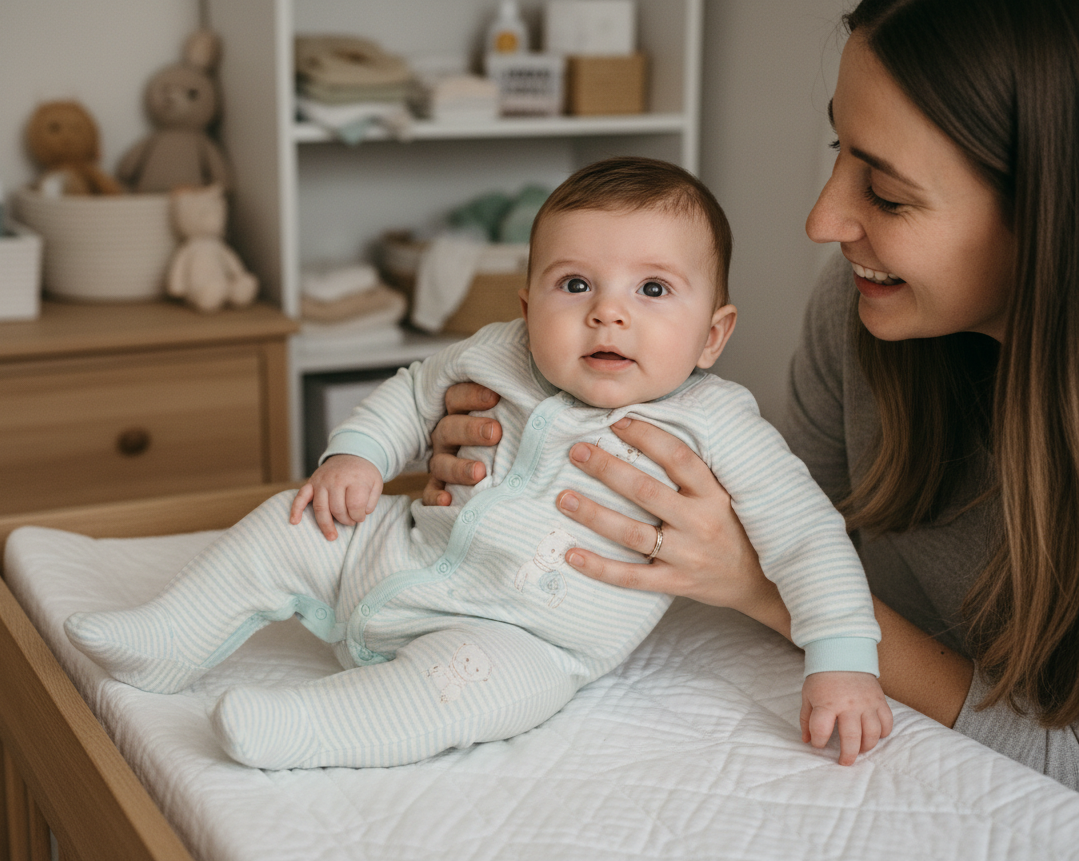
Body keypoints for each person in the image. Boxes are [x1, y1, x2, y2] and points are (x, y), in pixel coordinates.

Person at [426, 0, 1079, 789]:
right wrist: (515, 450)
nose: (821, 219)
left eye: (888, 194)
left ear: (1049, 215)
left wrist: (766, 590)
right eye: (840, 147)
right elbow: (790, 516)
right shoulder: (862, 314)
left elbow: (1064, 764)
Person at [64, 157, 890, 771]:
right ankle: (170, 638)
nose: (607, 310)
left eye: (653, 290)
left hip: (526, 637)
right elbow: (412, 393)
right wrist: (354, 456)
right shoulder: (497, 354)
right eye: (575, 284)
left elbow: (808, 536)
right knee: (294, 521)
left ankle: (309, 728)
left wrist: (844, 658)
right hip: (397, 552)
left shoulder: (717, 422)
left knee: (472, 688)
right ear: (527, 306)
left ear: (714, 334)